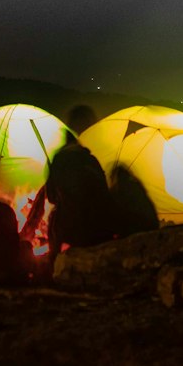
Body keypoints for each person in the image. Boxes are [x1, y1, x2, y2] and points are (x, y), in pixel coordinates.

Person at [45, 105, 115, 259]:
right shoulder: (91, 161)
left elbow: (51, 196)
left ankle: (53, 263)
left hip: (73, 228)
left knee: (54, 220)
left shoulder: (59, 160)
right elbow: (104, 194)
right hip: (100, 229)